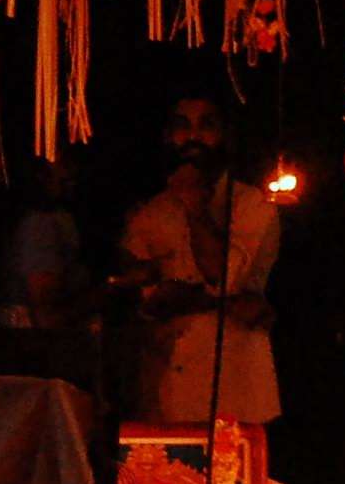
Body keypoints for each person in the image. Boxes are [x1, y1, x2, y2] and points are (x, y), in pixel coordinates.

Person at [120, 92, 281, 426]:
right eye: (183, 126)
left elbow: (222, 277)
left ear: (225, 135)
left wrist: (194, 206)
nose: (193, 137)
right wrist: (226, 302)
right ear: (168, 136)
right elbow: (147, 303)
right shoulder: (149, 214)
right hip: (164, 398)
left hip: (235, 395)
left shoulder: (252, 206)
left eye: (206, 126)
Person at [2, 152, 97, 331]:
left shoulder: (60, 220)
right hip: (46, 350)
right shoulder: (41, 225)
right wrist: (108, 292)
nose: (73, 172)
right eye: (65, 164)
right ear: (40, 174)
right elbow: (47, 315)